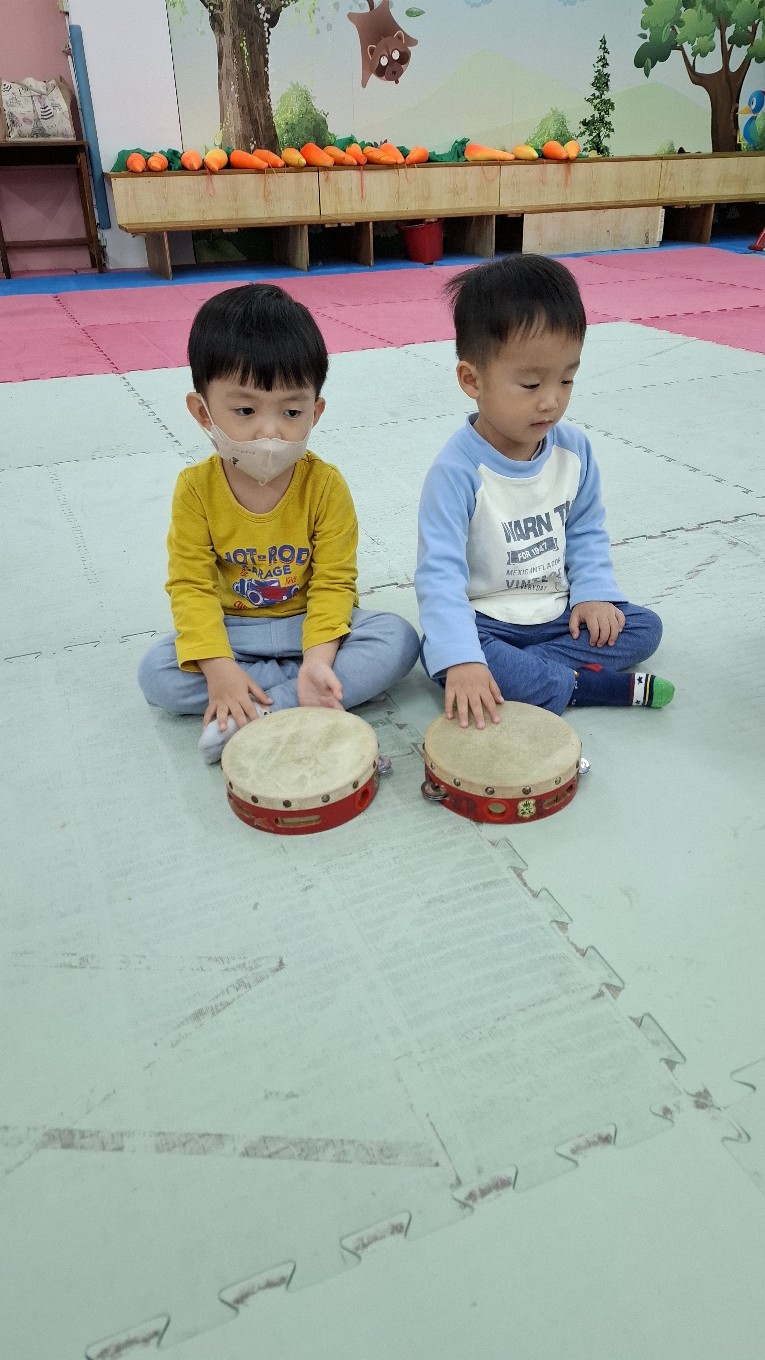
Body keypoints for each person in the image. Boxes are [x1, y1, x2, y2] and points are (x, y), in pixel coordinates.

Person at [138, 283, 419, 762]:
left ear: (316, 411)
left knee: (399, 639)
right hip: (236, 631)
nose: (270, 430)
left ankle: (266, 705)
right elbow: (190, 587)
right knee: (156, 674)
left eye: (291, 412)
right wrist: (220, 669)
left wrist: (318, 659)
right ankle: (284, 694)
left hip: (308, 628)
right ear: (202, 412)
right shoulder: (195, 490)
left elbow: (334, 583)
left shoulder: (325, 486)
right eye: (245, 410)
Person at [415, 254, 674, 730]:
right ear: (472, 380)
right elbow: (439, 578)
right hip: (487, 622)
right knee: (444, 651)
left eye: (567, 379)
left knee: (643, 628)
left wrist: (593, 595)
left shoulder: (573, 451)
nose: (552, 400)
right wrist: (464, 658)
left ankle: (534, 678)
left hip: (558, 614)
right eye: (531, 383)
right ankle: (584, 685)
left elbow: (587, 530)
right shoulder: (455, 472)